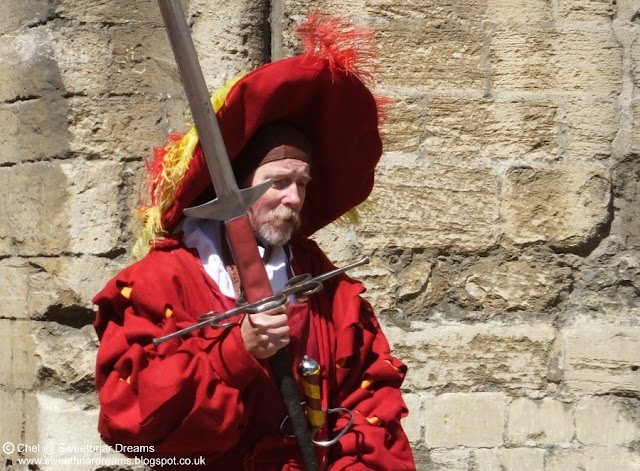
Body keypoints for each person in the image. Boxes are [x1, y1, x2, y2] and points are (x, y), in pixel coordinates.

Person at [93, 12, 416, 471]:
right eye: (278, 181)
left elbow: (374, 412)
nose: (293, 198)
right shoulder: (157, 282)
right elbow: (133, 428)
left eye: (302, 184)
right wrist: (234, 353)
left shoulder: (333, 293)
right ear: (235, 186)